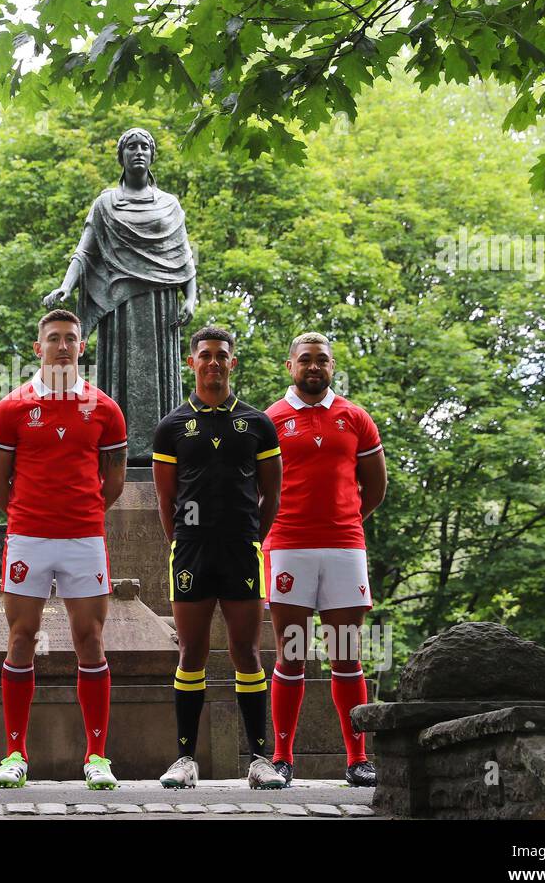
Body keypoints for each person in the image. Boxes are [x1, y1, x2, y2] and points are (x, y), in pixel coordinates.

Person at [0, 309, 127, 789]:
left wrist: (77, 513)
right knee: (22, 638)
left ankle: (98, 756)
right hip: (28, 538)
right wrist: (33, 514)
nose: (62, 346)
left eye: (70, 339)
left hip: (85, 538)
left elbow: (114, 483)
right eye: (53, 339)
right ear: (37, 347)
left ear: (82, 348)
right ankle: (15, 754)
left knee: (90, 641)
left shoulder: (105, 408)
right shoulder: (11, 408)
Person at [152, 326, 287, 790]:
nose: (213, 362)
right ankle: (185, 759)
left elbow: (272, 494)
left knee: (247, 651)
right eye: (205, 355)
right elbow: (166, 500)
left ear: (233, 362)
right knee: (191, 651)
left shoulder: (257, 423)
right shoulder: (171, 426)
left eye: (221, 355)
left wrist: (250, 535)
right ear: (192, 362)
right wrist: (183, 540)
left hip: (242, 551)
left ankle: (259, 759)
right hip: (190, 550)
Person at [264, 333, 388, 788]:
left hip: (343, 546)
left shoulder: (355, 418)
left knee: (346, 654)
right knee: (291, 655)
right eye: (305, 361)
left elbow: (374, 488)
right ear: (289, 365)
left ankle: (358, 758)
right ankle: (281, 758)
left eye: (322, 361)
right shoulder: (270, 420)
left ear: (332, 366)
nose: (313, 367)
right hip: (288, 545)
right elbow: (254, 488)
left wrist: (345, 519)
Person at [43, 127, 196, 465]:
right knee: (120, 375)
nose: (138, 151)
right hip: (119, 305)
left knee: (158, 380)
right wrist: (67, 286)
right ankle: (118, 449)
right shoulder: (106, 203)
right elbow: (83, 252)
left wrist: (190, 297)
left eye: (145, 146)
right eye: (131, 147)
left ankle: (162, 452)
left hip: (160, 305)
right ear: (122, 156)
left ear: (152, 155)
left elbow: (184, 258)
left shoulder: (169, 204)